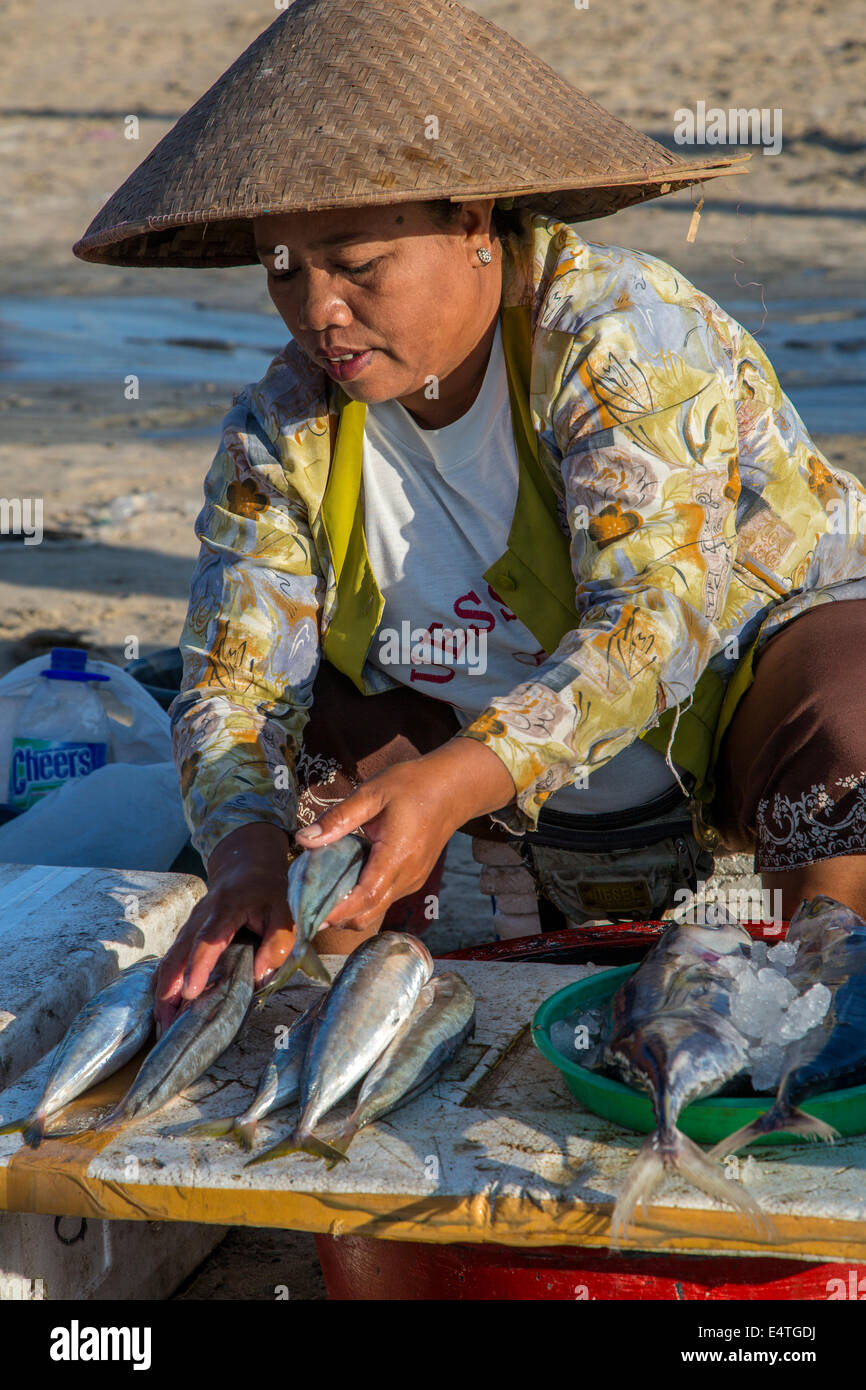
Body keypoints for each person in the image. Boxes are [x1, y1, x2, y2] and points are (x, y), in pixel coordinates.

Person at [74, 0, 866, 1034]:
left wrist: (456, 781)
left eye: (357, 266)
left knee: (850, 693)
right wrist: (242, 855)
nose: (317, 309)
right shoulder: (284, 430)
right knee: (319, 752)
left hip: (719, 745)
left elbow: (651, 626)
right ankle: (368, 1002)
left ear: (471, 222)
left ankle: (820, 1015)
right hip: (502, 819)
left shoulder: (622, 337)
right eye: (284, 270)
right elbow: (230, 684)